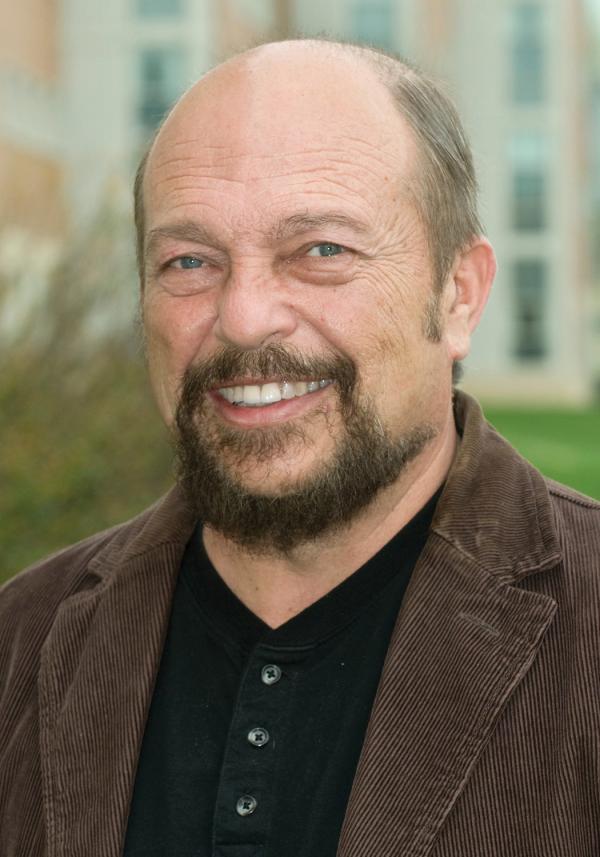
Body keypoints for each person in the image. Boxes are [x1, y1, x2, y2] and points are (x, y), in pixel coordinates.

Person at [1, 38, 599, 857]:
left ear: (458, 295)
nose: (245, 316)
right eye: (190, 260)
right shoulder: (17, 643)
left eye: (322, 250)